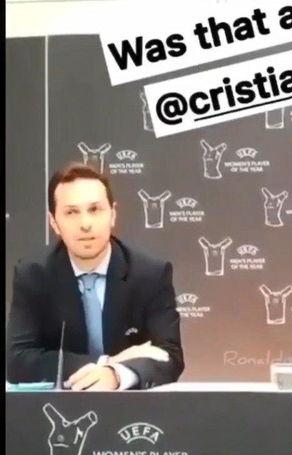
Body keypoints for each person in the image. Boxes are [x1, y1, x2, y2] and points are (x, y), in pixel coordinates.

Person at [7, 163, 184, 390]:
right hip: (60, 403)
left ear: (113, 215)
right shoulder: (34, 275)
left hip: (131, 405)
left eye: (94, 209)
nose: (85, 224)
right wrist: (107, 363)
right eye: (71, 212)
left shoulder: (151, 274)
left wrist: (117, 375)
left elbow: (169, 356)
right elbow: (17, 361)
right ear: (54, 223)